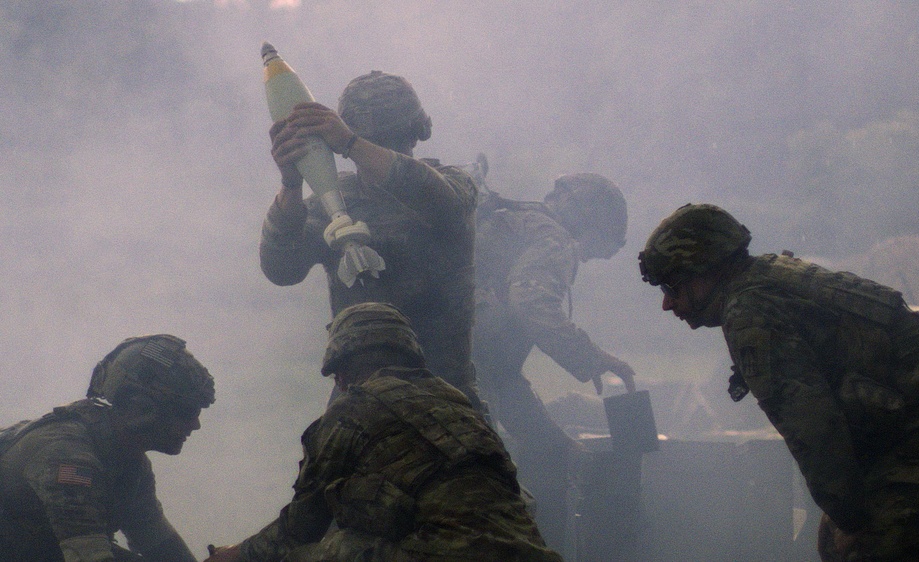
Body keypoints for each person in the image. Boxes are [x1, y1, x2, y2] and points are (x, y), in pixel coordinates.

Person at [638, 203, 919, 562]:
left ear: (705, 270)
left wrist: (852, 519)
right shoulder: (767, 276)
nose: (668, 304)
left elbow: (813, 427)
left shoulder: (750, 314)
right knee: (835, 538)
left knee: (864, 549)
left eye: (673, 285)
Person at [205, 302, 562, 562]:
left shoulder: (353, 409)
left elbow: (302, 525)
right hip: (528, 552)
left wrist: (237, 554)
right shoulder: (454, 399)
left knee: (323, 552)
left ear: (341, 368)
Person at [260, 70, 481, 407]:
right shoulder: (332, 202)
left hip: (443, 395)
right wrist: (292, 182)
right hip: (360, 404)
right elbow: (281, 268)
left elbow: (440, 201)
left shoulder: (451, 185)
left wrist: (351, 144)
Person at [473, 173, 636, 552]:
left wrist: (544, 434)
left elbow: (501, 373)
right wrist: (592, 357)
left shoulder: (513, 220)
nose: (590, 255)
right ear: (589, 220)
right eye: (598, 243)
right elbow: (532, 305)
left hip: (469, 369)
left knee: (550, 449)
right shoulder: (553, 238)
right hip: (462, 376)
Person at [0, 334, 215, 561]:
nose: (195, 425)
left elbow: (157, 541)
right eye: (186, 412)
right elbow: (87, 556)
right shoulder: (68, 457)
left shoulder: (131, 464)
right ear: (139, 405)